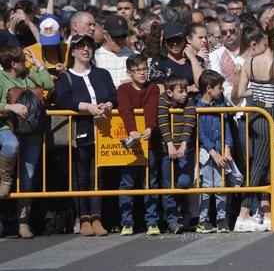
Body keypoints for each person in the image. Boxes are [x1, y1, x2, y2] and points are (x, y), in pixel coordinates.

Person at [54, 34, 116, 236]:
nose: (85, 50)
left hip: (103, 131)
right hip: (80, 129)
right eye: (81, 47)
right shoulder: (66, 77)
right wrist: (87, 107)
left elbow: (113, 96)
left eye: (89, 46)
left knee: (97, 175)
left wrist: (108, 104)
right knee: (80, 175)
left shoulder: (102, 74)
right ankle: (84, 218)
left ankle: (97, 217)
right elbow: (63, 100)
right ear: (73, 51)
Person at [0, 45, 54, 238]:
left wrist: (39, 65)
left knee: (28, 177)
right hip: (7, 128)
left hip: (32, 131)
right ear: (13, 64)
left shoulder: (28, 74)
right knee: (11, 145)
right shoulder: (1, 78)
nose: (26, 63)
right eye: (23, 60)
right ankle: (5, 179)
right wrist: (11, 107)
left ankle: (23, 222)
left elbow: (49, 85)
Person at [231, 25, 274, 232]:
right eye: (265, 46)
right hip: (254, 117)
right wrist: (255, 89)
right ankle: (244, 214)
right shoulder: (246, 62)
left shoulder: (254, 62)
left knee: (264, 165)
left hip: (258, 116)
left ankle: (266, 213)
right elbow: (236, 95)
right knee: (256, 166)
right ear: (254, 44)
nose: (268, 49)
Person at [116, 54, 161, 236]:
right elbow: (125, 110)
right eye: (137, 70)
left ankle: (152, 221)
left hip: (149, 141)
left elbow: (151, 108)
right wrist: (132, 130)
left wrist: (150, 126)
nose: (142, 73)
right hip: (131, 141)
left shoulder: (153, 88)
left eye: (144, 69)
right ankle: (127, 221)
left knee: (150, 182)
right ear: (129, 72)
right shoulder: (123, 89)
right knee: (126, 182)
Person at [157, 75, 197, 234]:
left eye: (186, 90)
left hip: (185, 148)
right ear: (169, 92)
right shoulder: (163, 100)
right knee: (168, 185)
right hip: (167, 148)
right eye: (180, 91)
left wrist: (183, 145)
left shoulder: (189, 101)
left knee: (183, 181)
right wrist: (170, 144)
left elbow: (189, 121)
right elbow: (163, 121)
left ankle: (184, 212)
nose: (185, 94)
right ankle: (172, 220)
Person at [196, 69, 234, 233]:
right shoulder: (197, 107)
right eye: (220, 87)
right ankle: (203, 219)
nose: (222, 90)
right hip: (207, 154)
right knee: (205, 186)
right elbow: (201, 133)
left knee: (221, 186)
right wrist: (213, 152)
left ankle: (221, 218)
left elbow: (226, 126)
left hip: (220, 150)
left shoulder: (221, 105)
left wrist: (227, 148)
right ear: (209, 88)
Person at [149, 22, 202, 91]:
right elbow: (158, 87)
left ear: (185, 40)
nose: (175, 44)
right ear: (165, 42)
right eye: (170, 41)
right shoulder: (159, 60)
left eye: (178, 40)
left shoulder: (195, 59)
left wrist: (192, 58)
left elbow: (201, 84)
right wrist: (186, 89)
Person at [94, 15, 137, 88]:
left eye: (123, 36)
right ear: (105, 35)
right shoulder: (95, 57)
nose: (120, 40)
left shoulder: (135, 56)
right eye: (115, 36)